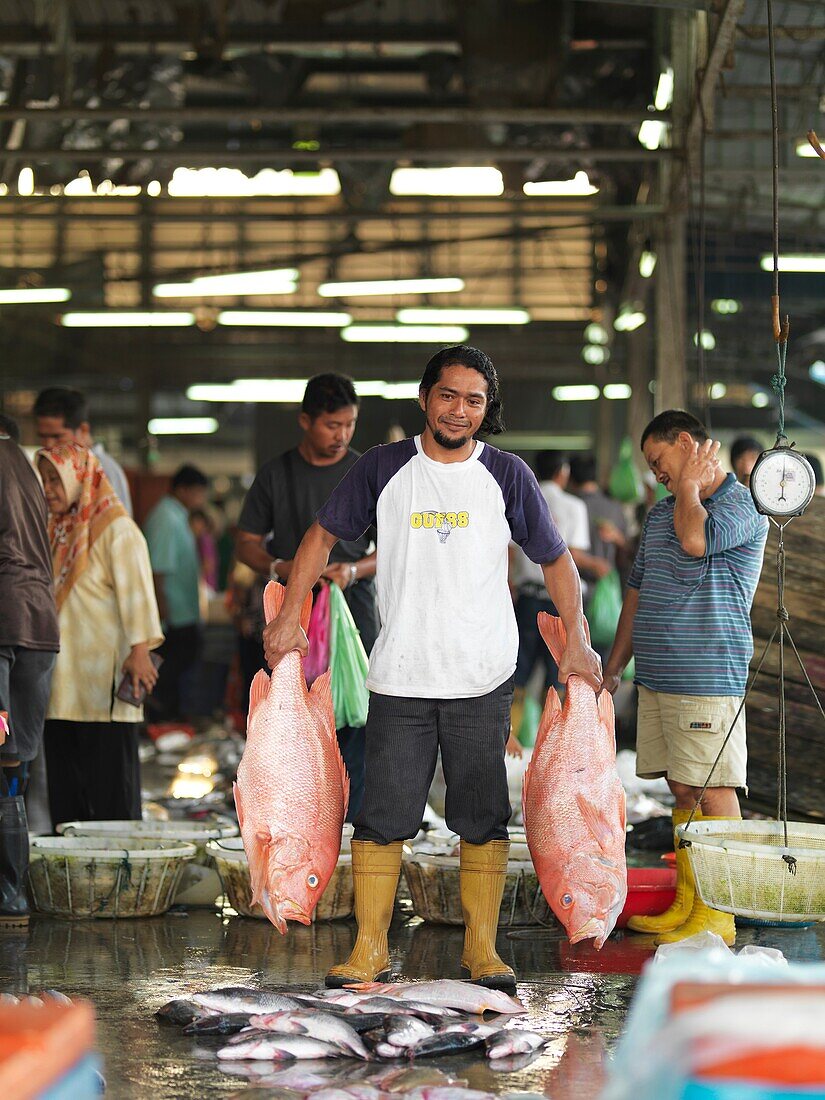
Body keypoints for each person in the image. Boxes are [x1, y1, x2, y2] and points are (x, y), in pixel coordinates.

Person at [263, 345, 601, 992]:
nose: (459, 410)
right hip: (400, 676)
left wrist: (577, 638)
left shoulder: (506, 475)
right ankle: (368, 949)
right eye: (447, 395)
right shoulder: (383, 468)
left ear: (486, 410)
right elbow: (319, 537)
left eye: (474, 400)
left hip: (480, 674)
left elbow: (554, 559)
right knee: (381, 817)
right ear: (424, 398)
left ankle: (481, 949)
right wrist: (288, 616)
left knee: (480, 815)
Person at [601, 410, 769, 946]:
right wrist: (614, 665)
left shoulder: (743, 504)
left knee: (712, 788)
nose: (658, 475)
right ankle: (690, 905)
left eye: (660, 461)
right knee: (681, 786)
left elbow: (696, 541)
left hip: (707, 675)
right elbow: (637, 589)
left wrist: (692, 486)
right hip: (657, 675)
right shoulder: (659, 514)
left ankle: (719, 914)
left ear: (686, 442)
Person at [235, 374, 378, 822]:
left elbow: (396, 547)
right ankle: (297, 819)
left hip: (353, 614)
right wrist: (285, 570)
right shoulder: (276, 474)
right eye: (332, 425)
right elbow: (245, 542)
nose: (342, 435)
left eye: (350, 425)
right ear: (305, 421)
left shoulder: (364, 472)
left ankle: (352, 826)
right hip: (291, 613)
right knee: (292, 719)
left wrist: (353, 570)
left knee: (354, 719)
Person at [37, 443, 162, 825]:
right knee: (67, 798)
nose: (48, 489)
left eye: (56, 480)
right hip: (62, 687)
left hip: (103, 690)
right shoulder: (56, 532)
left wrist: (140, 650)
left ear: (79, 479)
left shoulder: (117, 531)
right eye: (44, 480)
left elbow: (137, 592)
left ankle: (120, 879)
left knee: (112, 800)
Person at [0, 414, 59, 927]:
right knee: (13, 759)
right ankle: (14, 896)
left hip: (3, 628)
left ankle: (10, 893)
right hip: (39, 627)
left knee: (2, 756)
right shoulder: (25, 465)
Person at [510, 451, 610, 732]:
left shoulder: (519, 500)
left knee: (519, 672)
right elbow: (572, 555)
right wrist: (599, 565)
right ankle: (551, 737)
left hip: (527, 598)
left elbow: (508, 553)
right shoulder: (572, 505)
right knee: (560, 673)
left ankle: (510, 739)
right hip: (560, 601)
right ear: (562, 472)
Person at [144, 465, 208, 724]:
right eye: (198, 492)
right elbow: (158, 568)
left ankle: (173, 719)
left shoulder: (178, 515)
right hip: (173, 612)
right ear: (182, 490)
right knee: (170, 670)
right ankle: (163, 720)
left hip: (183, 609)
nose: (201, 499)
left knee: (182, 666)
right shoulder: (165, 518)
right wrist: (162, 609)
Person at [34, 387, 133, 516]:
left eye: (57, 437)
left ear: (83, 429)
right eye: (42, 436)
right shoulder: (47, 465)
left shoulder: (104, 471)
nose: (48, 445)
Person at [568, 452, 629, 579]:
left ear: (570, 480)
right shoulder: (615, 508)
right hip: (608, 586)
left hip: (576, 583)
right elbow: (627, 551)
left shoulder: (569, 507)